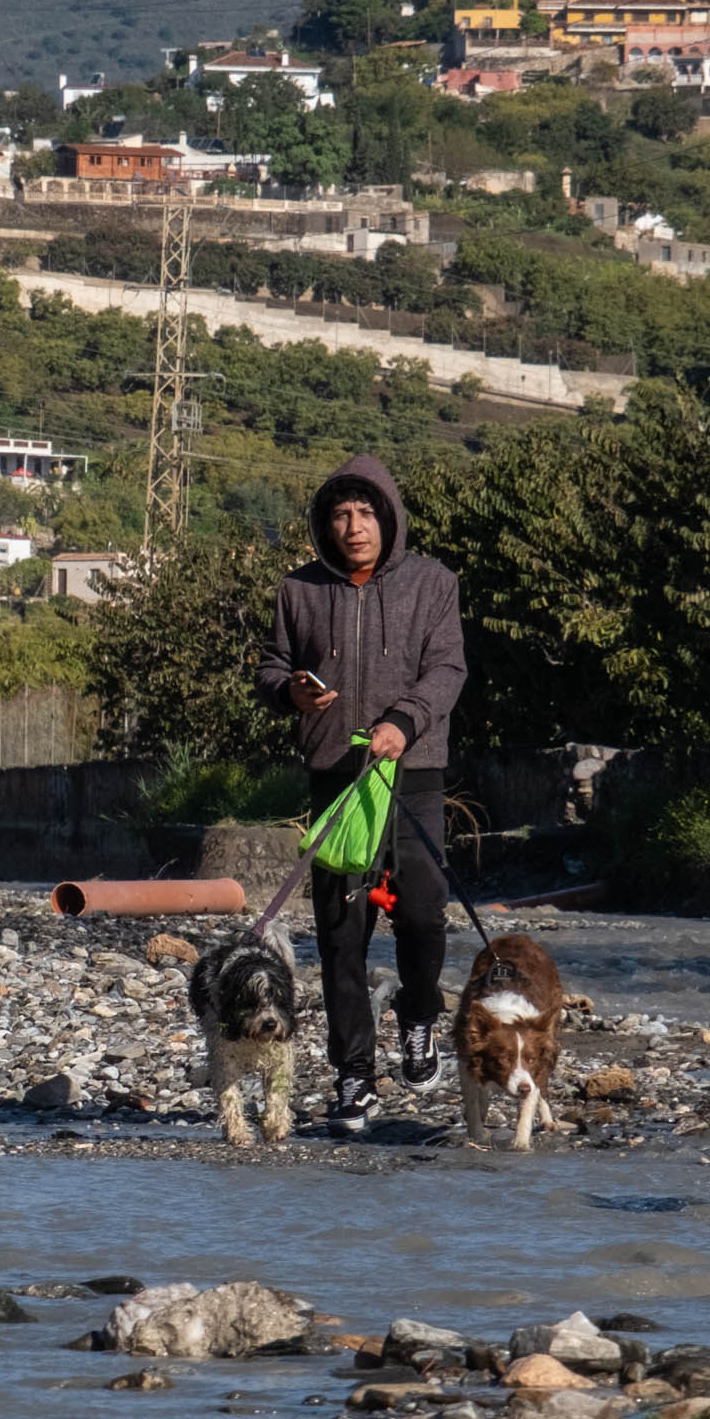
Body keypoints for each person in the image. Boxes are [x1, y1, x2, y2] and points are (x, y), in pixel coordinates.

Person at [252, 453, 467, 1134]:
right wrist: (290, 689)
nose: (354, 526)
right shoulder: (299, 589)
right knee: (343, 935)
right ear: (326, 523)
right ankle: (353, 1076)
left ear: (389, 517)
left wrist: (403, 721)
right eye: (341, 514)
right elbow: (271, 665)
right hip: (336, 776)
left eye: (366, 512)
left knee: (424, 912)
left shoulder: (434, 583)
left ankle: (420, 1018)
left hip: (412, 771)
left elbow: (448, 667)